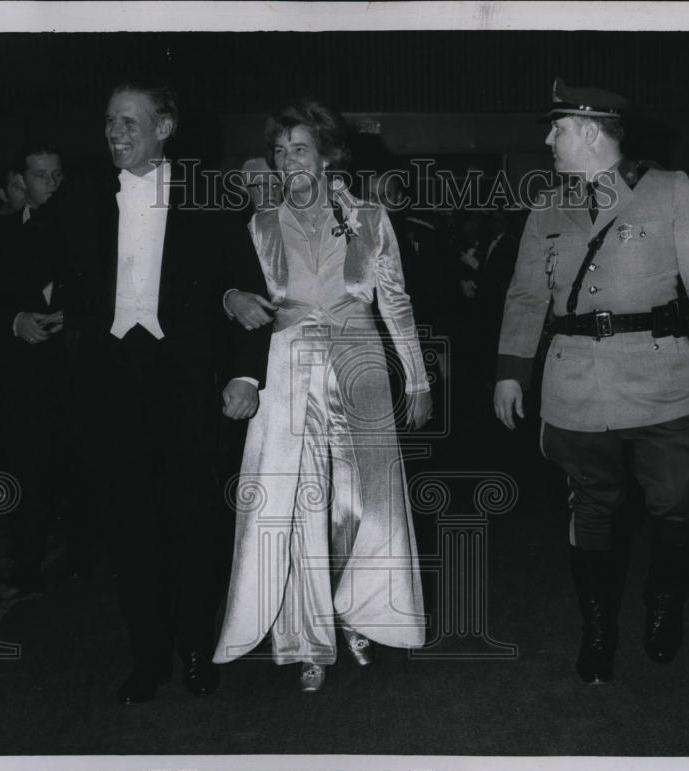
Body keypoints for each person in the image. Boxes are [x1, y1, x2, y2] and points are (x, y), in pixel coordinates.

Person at [494, 78, 689, 684]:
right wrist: (510, 372)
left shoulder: (670, 191)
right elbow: (525, 296)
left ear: (589, 130)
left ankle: (664, 600)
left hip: (663, 382)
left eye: (557, 128)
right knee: (592, 511)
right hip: (576, 387)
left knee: (676, 506)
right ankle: (598, 627)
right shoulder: (547, 206)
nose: (548, 138)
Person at [64, 83, 271, 705]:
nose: (115, 132)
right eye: (109, 121)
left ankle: (193, 649)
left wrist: (244, 375)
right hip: (112, 384)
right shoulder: (83, 197)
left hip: (183, 382)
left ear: (165, 126)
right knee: (129, 527)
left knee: (193, 522)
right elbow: (18, 250)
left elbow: (245, 287)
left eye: (129, 121)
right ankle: (146, 658)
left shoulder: (208, 198)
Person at [214, 99, 431, 693]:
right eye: (279, 153)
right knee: (295, 506)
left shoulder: (369, 217)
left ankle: (359, 612)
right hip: (287, 369)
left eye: (299, 149)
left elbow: (397, 302)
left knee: (367, 501)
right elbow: (232, 297)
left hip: (359, 363)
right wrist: (233, 296)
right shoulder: (260, 225)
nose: (288, 163)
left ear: (329, 154)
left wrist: (417, 377)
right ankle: (306, 639)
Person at [0, 141, 67, 600]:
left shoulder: (92, 230)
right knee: (27, 466)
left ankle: (77, 552)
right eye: (41, 175)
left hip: (77, 370)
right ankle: (25, 564)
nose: (52, 184)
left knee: (73, 464)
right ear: (21, 183)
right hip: (21, 374)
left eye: (57, 175)